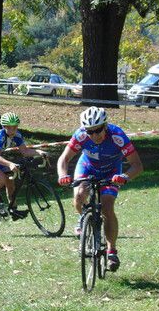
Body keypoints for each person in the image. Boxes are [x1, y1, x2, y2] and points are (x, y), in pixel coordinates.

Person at [56, 106, 143, 272]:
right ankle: (84, 218)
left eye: (98, 130)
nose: (94, 135)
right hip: (87, 166)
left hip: (111, 171)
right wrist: (62, 175)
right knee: (80, 195)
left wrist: (125, 177)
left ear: (106, 125)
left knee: (107, 205)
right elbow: (64, 159)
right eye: (90, 131)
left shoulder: (117, 136)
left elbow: (137, 165)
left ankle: (112, 250)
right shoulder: (81, 135)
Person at [0, 112, 46, 220]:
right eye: (9, 128)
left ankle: (13, 209)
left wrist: (38, 152)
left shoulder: (17, 135)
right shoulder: (0, 136)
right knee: (2, 179)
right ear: (4, 127)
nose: (12, 131)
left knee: (10, 181)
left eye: (15, 127)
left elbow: (25, 151)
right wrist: (10, 164)